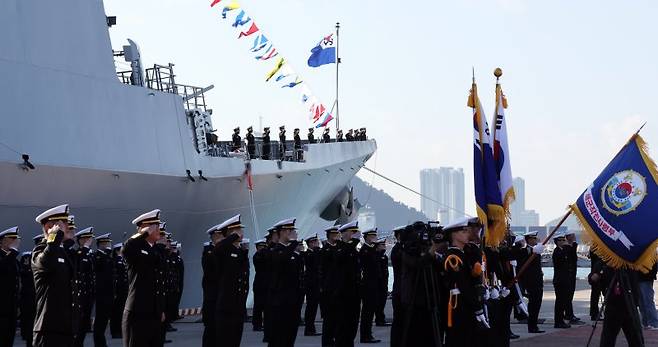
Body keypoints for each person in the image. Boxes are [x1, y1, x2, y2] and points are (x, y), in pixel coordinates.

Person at [32, 204, 79, 347]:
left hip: (66, 327)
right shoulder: (39, 251)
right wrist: (53, 237)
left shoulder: (62, 251)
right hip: (48, 329)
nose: (67, 226)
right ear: (48, 227)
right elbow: (45, 262)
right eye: (63, 223)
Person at [122, 209, 167, 347]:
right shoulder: (134, 247)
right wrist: (143, 233)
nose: (158, 229)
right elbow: (126, 248)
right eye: (155, 226)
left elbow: (158, 284)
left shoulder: (154, 251)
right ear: (145, 228)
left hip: (153, 314)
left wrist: (160, 310)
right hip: (137, 313)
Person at [590, 258, 645, 347]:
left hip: (629, 304)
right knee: (608, 338)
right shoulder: (605, 263)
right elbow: (593, 278)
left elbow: (638, 278)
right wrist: (595, 276)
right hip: (613, 304)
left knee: (636, 338)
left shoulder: (631, 263)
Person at [213, 214, 250, 347]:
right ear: (229, 232)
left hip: (238, 304)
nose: (241, 232)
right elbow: (218, 248)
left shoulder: (238, 251)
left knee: (235, 340)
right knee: (225, 341)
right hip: (227, 305)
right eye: (238, 230)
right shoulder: (224, 250)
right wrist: (233, 236)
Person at [266, 218, 303, 347]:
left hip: (293, 301)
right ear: (281, 232)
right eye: (289, 230)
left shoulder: (293, 254)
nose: (292, 233)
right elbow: (281, 261)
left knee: (290, 336)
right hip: (280, 302)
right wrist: (294, 243)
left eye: (292, 230)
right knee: (278, 337)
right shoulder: (275, 251)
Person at [332, 221, 362, 347]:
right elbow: (340, 257)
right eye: (352, 232)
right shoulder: (338, 247)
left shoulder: (352, 249)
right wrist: (354, 241)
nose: (355, 235)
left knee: (352, 325)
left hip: (354, 294)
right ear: (344, 234)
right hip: (343, 295)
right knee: (342, 327)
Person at [72, 227, 96, 347]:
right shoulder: (79, 254)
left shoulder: (90, 254)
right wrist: (85, 248)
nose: (89, 241)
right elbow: (79, 268)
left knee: (85, 323)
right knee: (79, 324)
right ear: (81, 240)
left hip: (88, 294)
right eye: (87, 239)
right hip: (80, 295)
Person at [518, 230, 546, 333]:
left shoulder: (536, 250)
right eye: (534, 238)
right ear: (529, 239)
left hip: (538, 281)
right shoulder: (525, 251)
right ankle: (532, 326)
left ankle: (534, 325)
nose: (536, 240)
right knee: (533, 304)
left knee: (537, 304)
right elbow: (524, 266)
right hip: (531, 282)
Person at [359, 228, 382, 343]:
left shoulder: (372, 250)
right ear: (367, 237)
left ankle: (368, 334)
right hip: (367, 285)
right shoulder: (365, 250)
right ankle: (365, 335)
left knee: (371, 310)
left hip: (373, 284)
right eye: (372, 236)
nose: (374, 237)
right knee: (367, 311)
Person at [201, 224, 223, 347]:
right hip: (212, 297)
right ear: (214, 236)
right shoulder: (209, 252)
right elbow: (212, 272)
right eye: (220, 235)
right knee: (211, 329)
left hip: (220, 297)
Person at [19, 235, 42, 347]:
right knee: (30, 329)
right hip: (30, 299)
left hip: (42, 299)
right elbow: (25, 276)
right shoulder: (28, 257)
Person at [0, 226, 21, 347]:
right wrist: (13, 252)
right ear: (2, 241)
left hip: (11, 308)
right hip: (1, 308)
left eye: (16, 239)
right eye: (11, 238)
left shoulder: (13, 259)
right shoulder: (8, 257)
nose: (15, 241)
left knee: (9, 340)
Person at [320, 226, 340, 347]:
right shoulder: (326, 250)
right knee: (328, 319)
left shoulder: (336, 248)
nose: (338, 236)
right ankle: (327, 342)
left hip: (336, 288)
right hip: (328, 289)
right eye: (336, 235)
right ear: (331, 236)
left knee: (335, 318)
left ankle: (333, 340)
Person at [93, 233, 114, 347]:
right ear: (101, 244)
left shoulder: (106, 257)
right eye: (106, 243)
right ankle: (99, 343)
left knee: (104, 319)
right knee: (100, 320)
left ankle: (102, 342)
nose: (108, 245)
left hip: (108, 292)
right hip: (101, 293)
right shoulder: (97, 256)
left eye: (108, 243)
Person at [552, 232, 572, 329]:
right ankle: (558, 321)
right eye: (562, 240)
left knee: (563, 301)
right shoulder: (557, 251)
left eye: (564, 240)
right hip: (560, 280)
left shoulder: (563, 250)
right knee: (560, 302)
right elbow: (560, 261)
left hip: (564, 280)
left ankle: (561, 320)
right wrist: (566, 247)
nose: (564, 242)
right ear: (557, 242)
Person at [303, 235, 322, 336]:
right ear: (310, 243)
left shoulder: (314, 253)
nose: (317, 243)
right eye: (315, 242)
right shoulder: (308, 254)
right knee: (311, 307)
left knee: (313, 307)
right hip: (311, 284)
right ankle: (309, 328)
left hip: (315, 283)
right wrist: (317, 251)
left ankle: (311, 328)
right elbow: (314, 264)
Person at [563, 230, 583, 325]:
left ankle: (569, 314)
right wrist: (574, 245)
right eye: (573, 235)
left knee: (570, 296)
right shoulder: (566, 247)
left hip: (572, 275)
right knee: (567, 296)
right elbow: (571, 256)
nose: (575, 237)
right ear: (568, 237)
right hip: (568, 275)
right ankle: (568, 314)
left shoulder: (571, 246)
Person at [389, 226, 405, 346]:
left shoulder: (401, 248)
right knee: (399, 320)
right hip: (400, 290)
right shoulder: (397, 249)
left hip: (402, 289)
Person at [110, 243, 128, 340]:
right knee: (116, 312)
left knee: (121, 311)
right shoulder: (116, 261)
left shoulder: (123, 261)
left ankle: (120, 330)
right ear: (117, 250)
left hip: (123, 290)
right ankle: (115, 331)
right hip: (118, 290)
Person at [252, 239, 269, 332]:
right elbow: (260, 265)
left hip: (265, 283)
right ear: (257, 247)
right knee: (258, 305)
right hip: (259, 283)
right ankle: (256, 324)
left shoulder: (265, 255)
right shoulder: (257, 256)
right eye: (261, 247)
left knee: (265, 305)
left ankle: (264, 323)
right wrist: (263, 252)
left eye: (264, 246)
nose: (263, 248)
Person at [637, 260, 658, 329]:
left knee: (647, 301)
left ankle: (653, 323)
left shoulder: (650, 251)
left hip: (646, 276)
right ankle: (646, 323)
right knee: (642, 302)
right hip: (640, 276)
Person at [374, 238, 389, 326]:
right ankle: (379, 319)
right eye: (382, 245)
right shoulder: (377, 256)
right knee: (378, 302)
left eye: (384, 245)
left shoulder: (384, 257)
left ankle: (381, 318)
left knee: (382, 301)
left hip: (384, 282)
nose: (384, 247)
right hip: (378, 283)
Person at [589, 250, 603, 321]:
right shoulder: (595, 248)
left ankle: (595, 313)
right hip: (596, 273)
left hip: (599, 272)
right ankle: (594, 313)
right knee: (595, 295)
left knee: (595, 295)